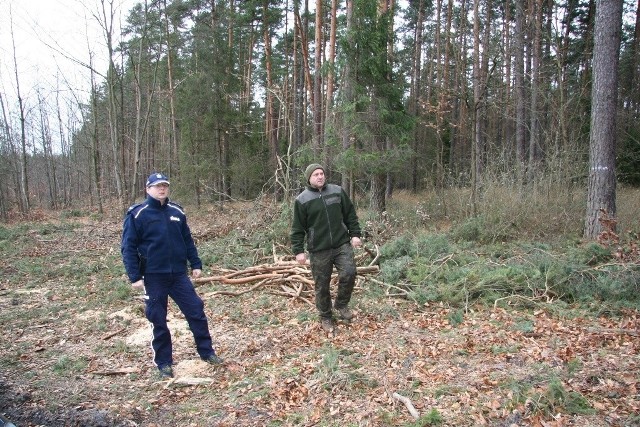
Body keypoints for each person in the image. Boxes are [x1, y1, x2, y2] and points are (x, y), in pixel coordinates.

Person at [121, 172, 222, 379]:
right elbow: (128, 247)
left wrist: (195, 263)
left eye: (165, 185)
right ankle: (164, 363)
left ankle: (207, 352)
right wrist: (134, 276)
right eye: (157, 186)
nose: (162, 189)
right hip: (153, 276)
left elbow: (187, 240)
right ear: (148, 189)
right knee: (158, 319)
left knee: (196, 310)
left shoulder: (177, 211)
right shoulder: (137, 214)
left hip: (178, 275)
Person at [291, 163, 363, 332]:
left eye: (321, 173)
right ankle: (325, 316)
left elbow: (350, 214)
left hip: (341, 243)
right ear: (309, 178)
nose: (320, 176)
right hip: (319, 249)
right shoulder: (302, 200)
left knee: (349, 272)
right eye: (316, 174)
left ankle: (342, 305)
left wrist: (355, 234)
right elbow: (297, 228)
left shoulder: (337, 191)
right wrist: (298, 251)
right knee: (321, 285)